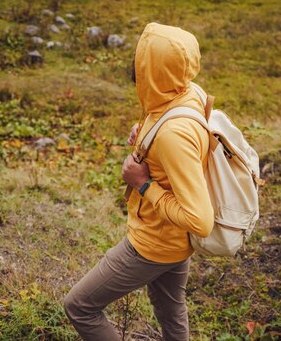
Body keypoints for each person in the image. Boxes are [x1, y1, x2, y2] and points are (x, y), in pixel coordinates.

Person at [63, 22, 215, 341]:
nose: (135, 63)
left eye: (142, 59)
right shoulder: (188, 92)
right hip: (175, 243)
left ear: (154, 70)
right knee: (170, 311)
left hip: (154, 243)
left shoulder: (173, 134)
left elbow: (200, 221)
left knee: (79, 306)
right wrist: (146, 133)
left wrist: (143, 184)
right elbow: (180, 134)